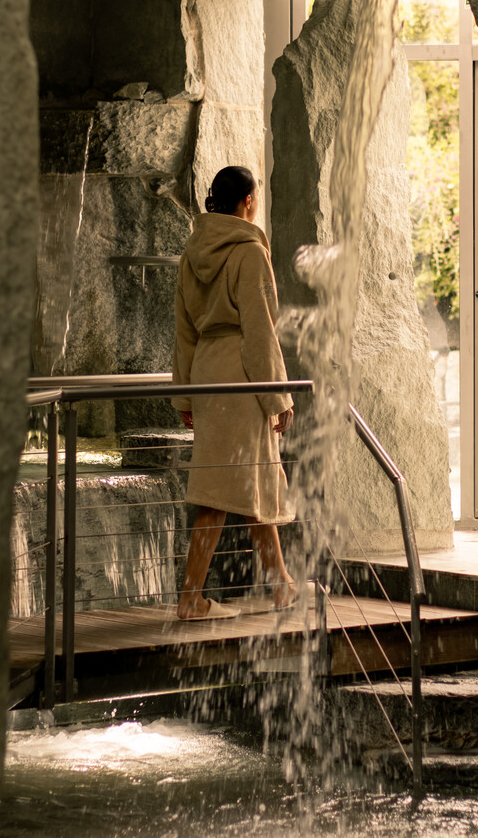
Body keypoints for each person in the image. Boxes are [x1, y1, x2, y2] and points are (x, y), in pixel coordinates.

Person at [172, 166, 297, 620]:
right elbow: (260, 331)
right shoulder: (248, 251)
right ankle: (190, 598)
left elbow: (184, 332)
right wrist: (277, 396)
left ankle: (281, 584)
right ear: (247, 200)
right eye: (256, 196)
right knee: (221, 487)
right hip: (242, 375)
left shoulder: (192, 253)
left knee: (249, 478)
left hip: (207, 371)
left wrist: (185, 396)